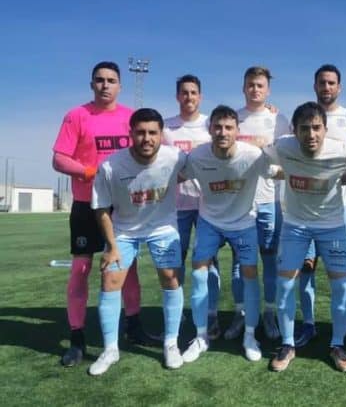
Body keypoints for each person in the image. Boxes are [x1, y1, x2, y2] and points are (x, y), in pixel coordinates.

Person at [52, 61, 153, 367]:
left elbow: (146, 150)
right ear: (92, 84)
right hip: (87, 205)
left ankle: (134, 327)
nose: (105, 85)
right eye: (100, 80)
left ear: (120, 86)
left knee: (127, 268)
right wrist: (91, 172)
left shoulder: (130, 118)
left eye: (111, 80)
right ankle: (77, 338)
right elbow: (59, 159)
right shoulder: (77, 116)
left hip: (122, 206)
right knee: (80, 269)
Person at [265, 102, 346, 373]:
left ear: (325, 129)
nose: (311, 134)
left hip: (332, 227)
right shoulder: (283, 146)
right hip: (295, 226)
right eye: (304, 128)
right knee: (285, 284)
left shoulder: (341, 150)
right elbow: (259, 160)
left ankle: (337, 344)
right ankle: (287, 344)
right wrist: (279, 172)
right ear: (294, 130)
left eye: (316, 128)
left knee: (341, 286)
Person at [89, 108, 187, 375]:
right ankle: (110, 349)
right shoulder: (110, 166)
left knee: (171, 278)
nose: (147, 138)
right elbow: (101, 208)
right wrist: (111, 246)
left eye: (153, 133)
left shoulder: (175, 157)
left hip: (163, 227)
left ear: (161, 134)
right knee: (110, 280)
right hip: (124, 230)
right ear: (130, 133)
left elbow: (201, 167)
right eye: (141, 132)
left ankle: (171, 343)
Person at [181, 105, 275, 362]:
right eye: (218, 127)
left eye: (228, 127)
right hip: (209, 222)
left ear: (237, 130)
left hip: (244, 223)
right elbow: (174, 175)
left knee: (249, 274)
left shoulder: (253, 155)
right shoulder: (197, 156)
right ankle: (201, 336)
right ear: (210, 129)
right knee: (198, 272)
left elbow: (279, 172)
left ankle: (250, 336)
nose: (223, 132)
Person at [295, 64, 346, 350]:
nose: (326, 87)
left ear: (339, 87)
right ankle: (308, 323)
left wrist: (337, 179)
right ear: (314, 86)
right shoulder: (303, 117)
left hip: (342, 207)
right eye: (322, 82)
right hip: (305, 210)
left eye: (331, 83)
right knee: (307, 267)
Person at [233, 66, 290, 341]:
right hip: (239, 203)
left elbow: (287, 158)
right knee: (239, 261)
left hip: (269, 201)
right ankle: (240, 312)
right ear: (243, 87)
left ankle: (269, 312)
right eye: (251, 85)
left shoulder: (279, 120)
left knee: (269, 260)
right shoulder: (234, 119)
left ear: (268, 90)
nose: (255, 89)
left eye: (260, 85)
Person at [162, 74, 221, 339]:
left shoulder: (211, 124)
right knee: (176, 261)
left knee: (210, 262)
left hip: (208, 205)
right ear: (177, 96)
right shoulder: (166, 127)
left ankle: (211, 313)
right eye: (184, 92)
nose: (189, 97)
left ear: (201, 96)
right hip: (177, 206)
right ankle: (179, 312)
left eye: (193, 92)